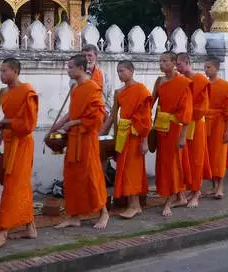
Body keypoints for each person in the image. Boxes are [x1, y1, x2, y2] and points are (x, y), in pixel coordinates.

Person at [0, 58, 38, 249]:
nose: (1, 75)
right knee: (18, 185)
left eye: (4, 71)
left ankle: (3, 231)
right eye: (0, 71)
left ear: (15, 71)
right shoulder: (4, 93)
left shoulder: (27, 91)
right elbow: (7, 118)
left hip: (22, 144)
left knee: (13, 187)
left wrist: (8, 124)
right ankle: (30, 227)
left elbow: (28, 125)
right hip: (9, 143)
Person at [52, 54, 109, 229]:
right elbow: (72, 112)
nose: (68, 70)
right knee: (71, 177)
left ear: (81, 68)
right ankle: (74, 216)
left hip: (87, 138)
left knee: (91, 175)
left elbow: (97, 118)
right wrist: (56, 126)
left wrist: (74, 123)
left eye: (70, 67)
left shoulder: (93, 88)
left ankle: (103, 212)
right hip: (74, 139)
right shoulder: (76, 89)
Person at [152, 51, 192, 216]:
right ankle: (180, 196)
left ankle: (169, 200)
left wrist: (183, 135)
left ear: (174, 62)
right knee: (164, 163)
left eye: (165, 61)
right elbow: (150, 102)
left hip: (175, 128)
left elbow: (187, 112)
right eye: (160, 61)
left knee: (172, 164)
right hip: (161, 127)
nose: (161, 64)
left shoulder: (184, 83)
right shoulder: (160, 81)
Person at [111, 60, 152, 219]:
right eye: (118, 71)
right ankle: (132, 204)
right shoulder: (120, 92)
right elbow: (113, 116)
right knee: (123, 169)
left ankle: (135, 205)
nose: (120, 74)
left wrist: (145, 141)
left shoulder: (141, 90)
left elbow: (146, 118)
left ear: (131, 71)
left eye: (122, 71)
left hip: (136, 135)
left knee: (132, 170)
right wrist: (102, 133)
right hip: (123, 134)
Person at [176, 52, 211, 208]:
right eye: (176, 64)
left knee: (196, 158)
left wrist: (187, 115)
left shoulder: (201, 80)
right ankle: (189, 188)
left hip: (196, 123)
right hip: (182, 124)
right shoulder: (180, 81)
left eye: (179, 64)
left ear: (187, 62)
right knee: (185, 159)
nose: (177, 67)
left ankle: (196, 192)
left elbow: (203, 107)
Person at [204, 57, 228, 199]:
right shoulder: (203, 85)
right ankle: (213, 185)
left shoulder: (226, 86)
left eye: (209, 67)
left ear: (216, 68)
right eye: (205, 67)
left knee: (219, 155)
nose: (206, 70)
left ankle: (220, 187)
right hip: (205, 123)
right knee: (209, 155)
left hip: (220, 124)